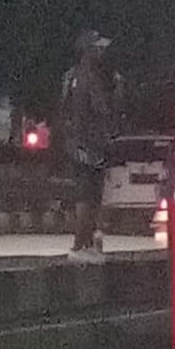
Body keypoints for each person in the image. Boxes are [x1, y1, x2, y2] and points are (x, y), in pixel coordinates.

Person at [60, 30, 115, 262]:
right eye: (98, 48)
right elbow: (102, 110)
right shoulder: (91, 78)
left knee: (83, 194)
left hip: (75, 144)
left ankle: (84, 244)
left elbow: (63, 109)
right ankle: (81, 246)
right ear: (89, 51)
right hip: (91, 145)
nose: (102, 52)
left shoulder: (69, 76)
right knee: (91, 196)